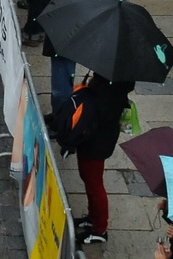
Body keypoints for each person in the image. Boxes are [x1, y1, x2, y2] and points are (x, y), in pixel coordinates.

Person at [50, 71, 133, 247]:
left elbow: (96, 115)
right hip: (97, 141)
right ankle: (93, 217)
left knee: (94, 184)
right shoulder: (115, 83)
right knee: (90, 181)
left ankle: (100, 229)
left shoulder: (108, 89)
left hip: (96, 144)